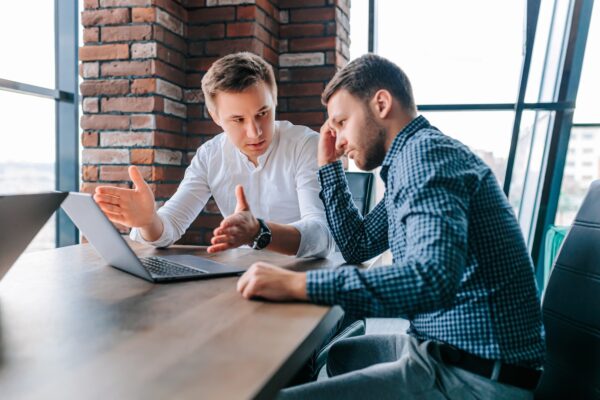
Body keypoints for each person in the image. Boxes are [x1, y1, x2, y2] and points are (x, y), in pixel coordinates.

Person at [235, 54, 545, 399]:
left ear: (381, 103)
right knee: (340, 354)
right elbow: (358, 245)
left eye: (342, 122)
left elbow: (430, 279)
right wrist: (329, 168)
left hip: (471, 376)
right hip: (438, 349)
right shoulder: (410, 161)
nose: (338, 141)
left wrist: (299, 284)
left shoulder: (426, 156)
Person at [93, 52, 334, 258]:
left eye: (263, 113)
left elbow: (322, 235)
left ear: (274, 100)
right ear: (216, 116)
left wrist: (258, 231)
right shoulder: (210, 156)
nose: (255, 132)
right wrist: (147, 221)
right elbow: (171, 226)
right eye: (238, 119)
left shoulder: (305, 144)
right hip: (242, 279)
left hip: (304, 278)